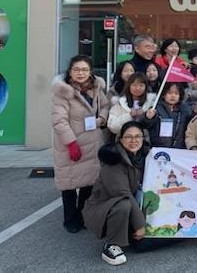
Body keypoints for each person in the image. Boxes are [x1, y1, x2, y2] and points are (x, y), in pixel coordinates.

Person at [52, 55, 110, 233]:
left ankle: (83, 215)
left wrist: (101, 119)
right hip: (71, 144)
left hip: (92, 143)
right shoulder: (62, 91)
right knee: (69, 184)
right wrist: (71, 143)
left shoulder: (96, 87)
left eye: (84, 69)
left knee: (88, 183)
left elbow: (105, 106)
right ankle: (70, 219)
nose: (80, 73)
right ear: (70, 71)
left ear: (90, 72)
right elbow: (59, 120)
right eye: (76, 69)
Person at [83, 121, 150, 266]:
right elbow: (123, 193)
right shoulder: (113, 161)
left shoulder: (142, 156)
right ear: (120, 139)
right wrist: (140, 225)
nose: (134, 140)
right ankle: (112, 245)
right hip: (102, 207)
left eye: (138, 136)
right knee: (124, 205)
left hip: (126, 201)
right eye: (129, 137)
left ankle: (127, 231)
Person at [107, 73, 157, 138]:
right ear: (129, 86)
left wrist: (147, 117)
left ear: (146, 87)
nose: (137, 88)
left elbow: (154, 127)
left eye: (141, 85)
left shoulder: (152, 103)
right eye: (134, 85)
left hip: (145, 139)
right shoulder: (119, 103)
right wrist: (129, 115)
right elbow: (113, 126)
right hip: (124, 139)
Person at [148, 82, 193, 148]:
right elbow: (146, 124)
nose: (173, 96)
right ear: (163, 94)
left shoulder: (186, 110)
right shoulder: (156, 108)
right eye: (169, 93)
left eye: (176, 93)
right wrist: (148, 118)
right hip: (158, 147)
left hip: (179, 147)